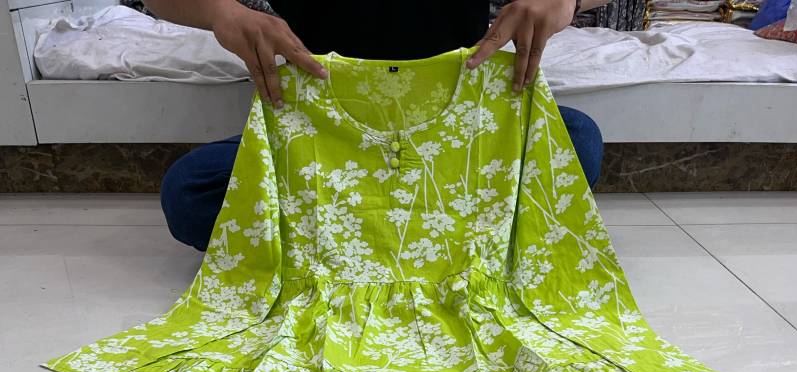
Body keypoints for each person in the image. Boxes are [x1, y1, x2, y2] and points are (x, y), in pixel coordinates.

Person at [148, 0, 606, 251]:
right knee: (190, 193)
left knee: (578, 141)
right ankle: (438, 234)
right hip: (323, 135)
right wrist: (222, 13)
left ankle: (364, 233)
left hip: (462, 135)